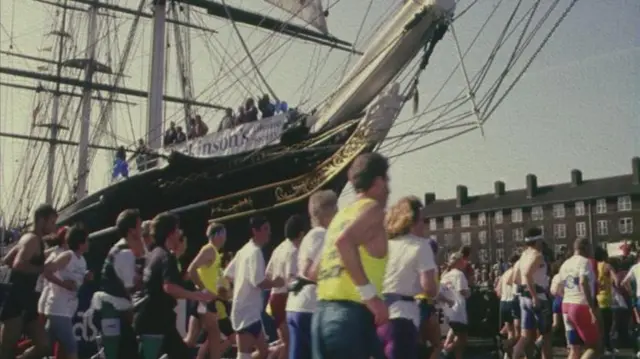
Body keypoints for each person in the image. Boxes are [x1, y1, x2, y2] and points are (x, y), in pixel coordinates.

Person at [312, 152, 390, 359]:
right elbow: (344, 242)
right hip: (351, 317)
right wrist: (371, 298)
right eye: (387, 180)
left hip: (321, 316)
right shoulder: (373, 209)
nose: (388, 188)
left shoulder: (340, 217)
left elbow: (313, 272)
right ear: (379, 181)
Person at [135, 213, 212, 359]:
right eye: (177, 230)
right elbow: (169, 287)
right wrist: (196, 295)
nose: (180, 233)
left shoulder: (153, 254)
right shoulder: (165, 256)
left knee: (181, 354)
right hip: (155, 321)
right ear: (170, 233)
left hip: (160, 320)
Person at [377, 196, 438, 359]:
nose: (424, 226)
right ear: (412, 222)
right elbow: (429, 288)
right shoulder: (421, 245)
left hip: (380, 316)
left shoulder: (385, 245)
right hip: (403, 318)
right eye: (422, 221)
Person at [285, 190, 338, 359]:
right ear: (327, 213)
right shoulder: (322, 235)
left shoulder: (309, 236)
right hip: (309, 306)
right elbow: (311, 270)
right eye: (336, 209)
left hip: (295, 304)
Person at [0, 204, 57, 359]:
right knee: (6, 351)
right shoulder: (32, 239)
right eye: (52, 222)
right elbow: (18, 264)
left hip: (29, 303)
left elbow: (7, 260)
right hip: (16, 301)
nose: (54, 226)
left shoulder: (30, 239)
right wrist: (42, 269)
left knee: (44, 345)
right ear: (41, 220)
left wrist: (43, 255)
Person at [223, 216, 284, 359]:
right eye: (265, 229)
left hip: (245, 311)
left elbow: (227, 274)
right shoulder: (255, 252)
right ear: (255, 231)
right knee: (251, 354)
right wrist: (276, 282)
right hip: (247, 313)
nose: (269, 233)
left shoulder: (243, 251)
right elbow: (259, 282)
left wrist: (237, 289)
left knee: (260, 352)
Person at [91, 209, 145, 359]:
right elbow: (131, 288)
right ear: (132, 231)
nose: (142, 229)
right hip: (113, 309)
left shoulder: (127, 249)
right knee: (119, 352)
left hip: (117, 308)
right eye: (139, 226)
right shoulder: (124, 253)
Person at [41, 225, 89, 359]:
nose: (89, 243)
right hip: (58, 308)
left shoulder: (82, 261)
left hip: (67, 310)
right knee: (71, 345)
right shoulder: (68, 255)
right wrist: (64, 284)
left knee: (44, 347)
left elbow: (76, 283)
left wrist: (85, 277)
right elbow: (47, 271)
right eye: (87, 240)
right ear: (80, 243)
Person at [265, 214, 308, 359]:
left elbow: (268, 274)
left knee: (285, 342)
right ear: (301, 234)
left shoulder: (279, 248)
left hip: (274, 297)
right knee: (288, 343)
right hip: (285, 298)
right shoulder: (294, 251)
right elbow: (291, 281)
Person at [186, 223, 228, 359]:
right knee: (214, 336)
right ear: (217, 235)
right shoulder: (209, 250)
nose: (225, 239)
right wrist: (204, 291)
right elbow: (191, 270)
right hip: (204, 301)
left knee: (191, 341)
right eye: (224, 235)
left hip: (203, 300)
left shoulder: (214, 253)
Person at [512, 228, 552, 359]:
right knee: (546, 335)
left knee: (525, 336)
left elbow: (516, 278)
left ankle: (514, 355)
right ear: (538, 240)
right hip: (537, 296)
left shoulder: (523, 255)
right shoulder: (537, 255)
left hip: (523, 298)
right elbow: (527, 274)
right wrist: (535, 296)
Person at [559, 238, 601, 359]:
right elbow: (583, 282)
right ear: (586, 247)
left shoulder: (565, 264)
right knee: (594, 347)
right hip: (580, 305)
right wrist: (591, 307)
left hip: (566, 306)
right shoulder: (584, 262)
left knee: (574, 349)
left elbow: (560, 289)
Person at [439, 252, 470, 359]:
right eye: (462, 260)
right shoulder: (459, 274)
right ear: (458, 262)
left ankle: (453, 354)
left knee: (453, 333)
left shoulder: (445, 275)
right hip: (458, 310)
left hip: (448, 311)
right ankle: (444, 352)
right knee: (462, 339)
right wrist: (469, 292)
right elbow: (462, 291)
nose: (464, 262)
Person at [594, 246, 618, 355]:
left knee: (599, 327)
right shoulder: (607, 266)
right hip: (606, 299)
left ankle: (603, 348)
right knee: (607, 326)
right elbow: (616, 280)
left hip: (596, 298)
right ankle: (607, 348)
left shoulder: (593, 266)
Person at [497, 254, 520, 351]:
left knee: (510, 332)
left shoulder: (504, 274)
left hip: (503, 302)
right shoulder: (517, 272)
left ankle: (507, 353)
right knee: (518, 333)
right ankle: (508, 348)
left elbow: (498, 291)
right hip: (513, 302)